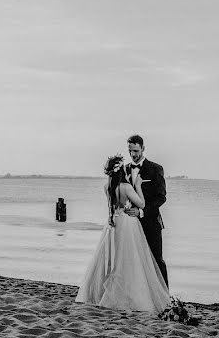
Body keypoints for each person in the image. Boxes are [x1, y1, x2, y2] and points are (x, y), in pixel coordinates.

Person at [75, 154, 170, 313]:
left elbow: (110, 208)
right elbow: (142, 203)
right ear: (120, 170)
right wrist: (138, 185)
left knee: (113, 260)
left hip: (113, 224)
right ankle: (128, 294)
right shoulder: (126, 187)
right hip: (127, 223)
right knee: (130, 260)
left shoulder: (107, 187)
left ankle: (101, 293)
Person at [123, 134, 168, 287]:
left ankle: (165, 296)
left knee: (156, 260)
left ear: (143, 148)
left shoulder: (156, 169)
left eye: (136, 150)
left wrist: (142, 212)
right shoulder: (125, 169)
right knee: (134, 261)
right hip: (130, 224)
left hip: (151, 222)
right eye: (130, 151)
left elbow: (161, 197)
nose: (133, 154)